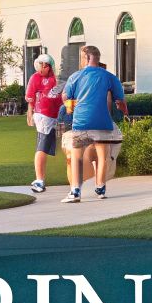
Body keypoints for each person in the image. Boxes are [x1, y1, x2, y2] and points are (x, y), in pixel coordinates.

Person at [60, 45, 129, 203]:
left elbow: (65, 96)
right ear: (97, 58)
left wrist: (68, 104)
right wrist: (125, 112)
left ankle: (75, 191)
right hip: (102, 122)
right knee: (102, 156)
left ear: (85, 57)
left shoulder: (76, 76)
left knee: (77, 156)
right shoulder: (109, 77)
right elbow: (120, 100)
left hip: (81, 122)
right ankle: (100, 187)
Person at [23, 53, 62, 194]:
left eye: (44, 65)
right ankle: (39, 180)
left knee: (47, 146)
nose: (41, 67)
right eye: (40, 65)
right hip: (43, 115)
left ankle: (41, 178)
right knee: (42, 147)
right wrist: (30, 113)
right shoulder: (35, 77)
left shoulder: (54, 80)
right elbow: (30, 97)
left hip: (53, 116)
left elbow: (59, 98)